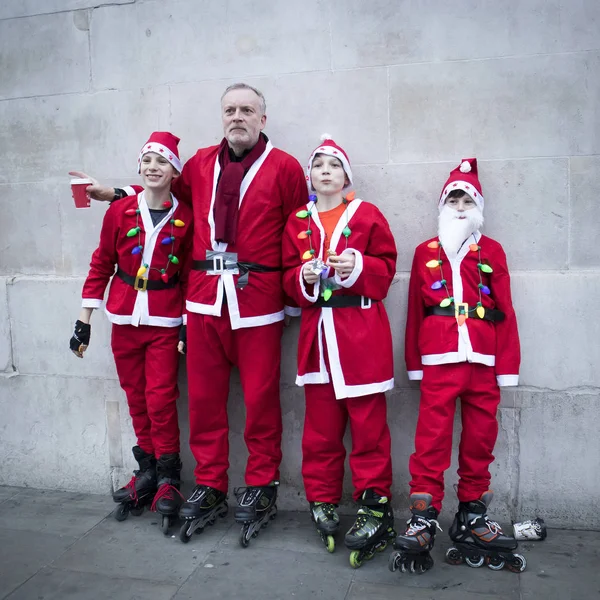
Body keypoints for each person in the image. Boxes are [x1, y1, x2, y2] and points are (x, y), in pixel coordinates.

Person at [71, 83, 308, 546]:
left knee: (260, 400)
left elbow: (299, 227)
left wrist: (296, 293)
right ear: (221, 116)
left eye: (247, 110)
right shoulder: (199, 162)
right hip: (202, 299)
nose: (237, 117)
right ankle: (212, 483)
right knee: (203, 400)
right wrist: (114, 191)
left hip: (257, 300)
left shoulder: (286, 167)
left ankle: (261, 485)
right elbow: (160, 190)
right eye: (230, 110)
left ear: (263, 117)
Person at [389, 158, 526, 574]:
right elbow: (414, 311)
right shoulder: (426, 251)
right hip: (439, 361)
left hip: (483, 361)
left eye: (468, 198)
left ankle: (471, 512)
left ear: (478, 205)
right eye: (454, 198)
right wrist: (415, 364)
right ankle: (423, 516)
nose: (461, 205)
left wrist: (508, 366)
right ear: (443, 205)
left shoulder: (492, 251)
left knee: (481, 439)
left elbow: (507, 309)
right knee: (430, 441)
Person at [282, 135, 397, 568]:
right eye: (318, 165)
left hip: (361, 334)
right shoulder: (297, 220)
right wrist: (305, 276)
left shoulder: (367, 215)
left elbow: (385, 271)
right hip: (318, 339)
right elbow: (286, 279)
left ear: (347, 176)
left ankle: (374, 505)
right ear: (310, 177)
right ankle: (323, 498)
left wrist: (359, 267)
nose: (326, 171)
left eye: (334, 165)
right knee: (320, 429)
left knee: (369, 428)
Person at [70, 132, 193, 534]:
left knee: (160, 398)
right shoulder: (120, 211)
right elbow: (101, 264)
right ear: (140, 168)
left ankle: (170, 477)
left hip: (164, 322)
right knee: (135, 397)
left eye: (163, 161)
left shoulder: (186, 217)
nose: (154, 167)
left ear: (175, 170)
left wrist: (189, 325)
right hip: (123, 318)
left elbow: (192, 276)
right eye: (148, 160)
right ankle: (148, 472)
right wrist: (84, 321)